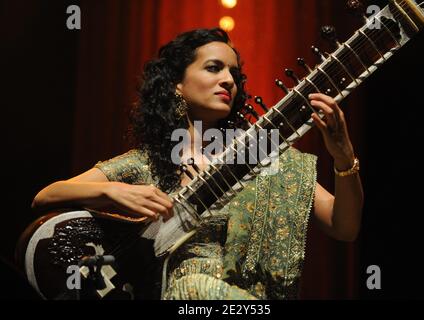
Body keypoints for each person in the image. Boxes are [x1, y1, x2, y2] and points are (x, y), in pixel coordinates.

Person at [31, 28, 363, 299]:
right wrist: (112, 191)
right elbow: (46, 196)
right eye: (214, 68)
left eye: (234, 73)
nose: (229, 80)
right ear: (177, 84)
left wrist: (344, 160)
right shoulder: (147, 164)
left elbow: (344, 226)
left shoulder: (259, 155)